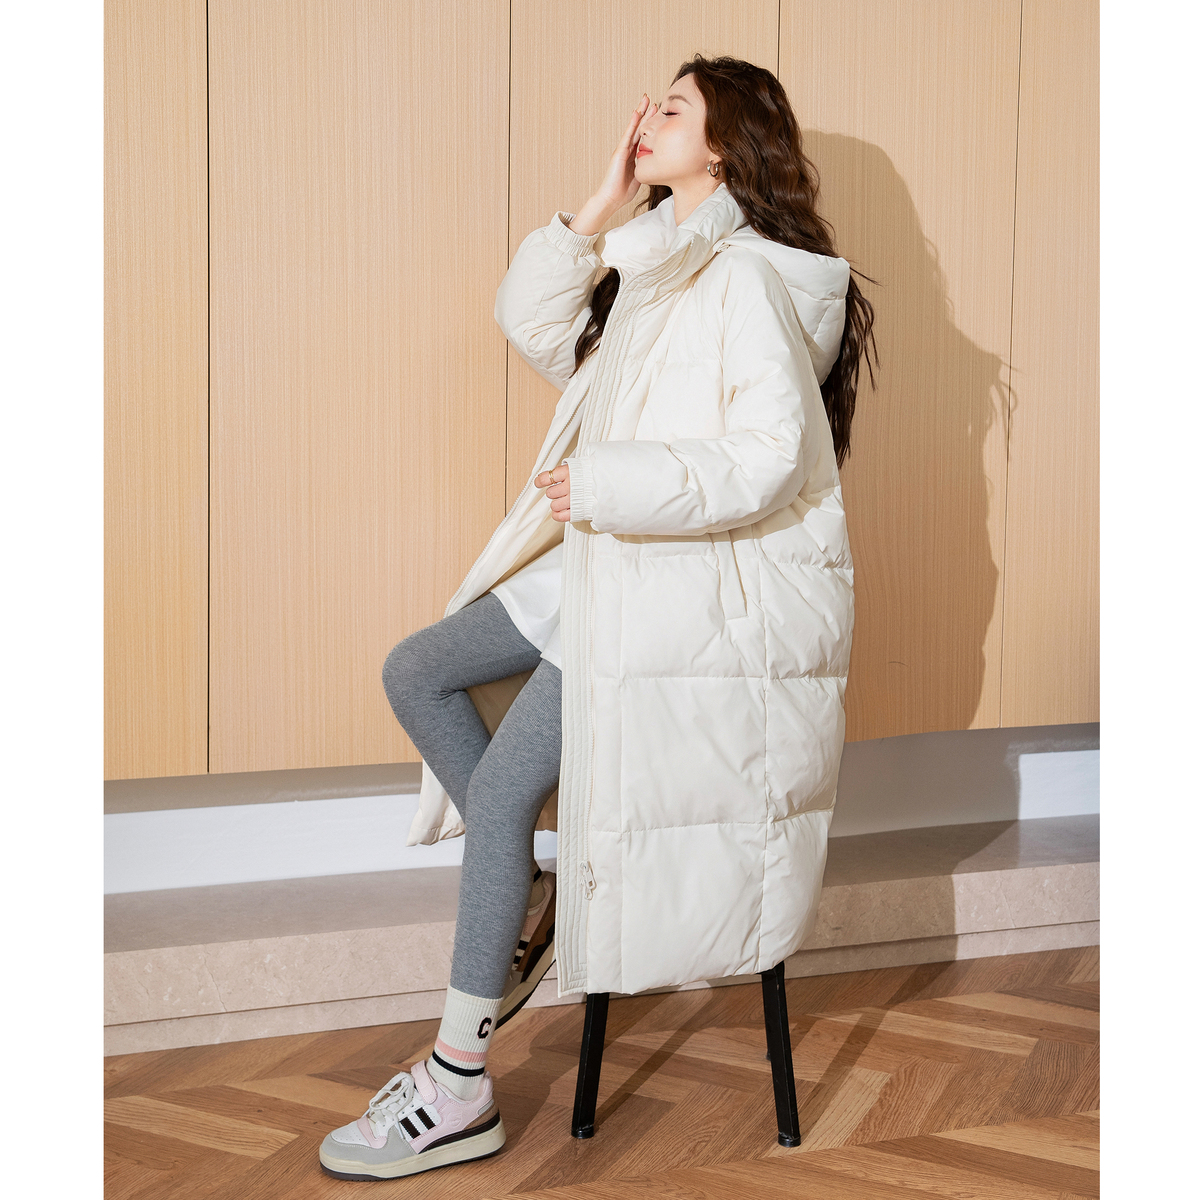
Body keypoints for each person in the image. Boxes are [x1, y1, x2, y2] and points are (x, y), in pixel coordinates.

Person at [319, 54, 877, 1182]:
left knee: (504, 791)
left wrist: (611, 481)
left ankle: (459, 1084)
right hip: (609, 563)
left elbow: (772, 455)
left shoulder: (745, 279)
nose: (646, 119)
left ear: (726, 142)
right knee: (419, 668)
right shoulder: (659, 265)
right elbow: (536, 330)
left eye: (673, 108)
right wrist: (598, 207)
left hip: (673, 590)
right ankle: (531, 893)